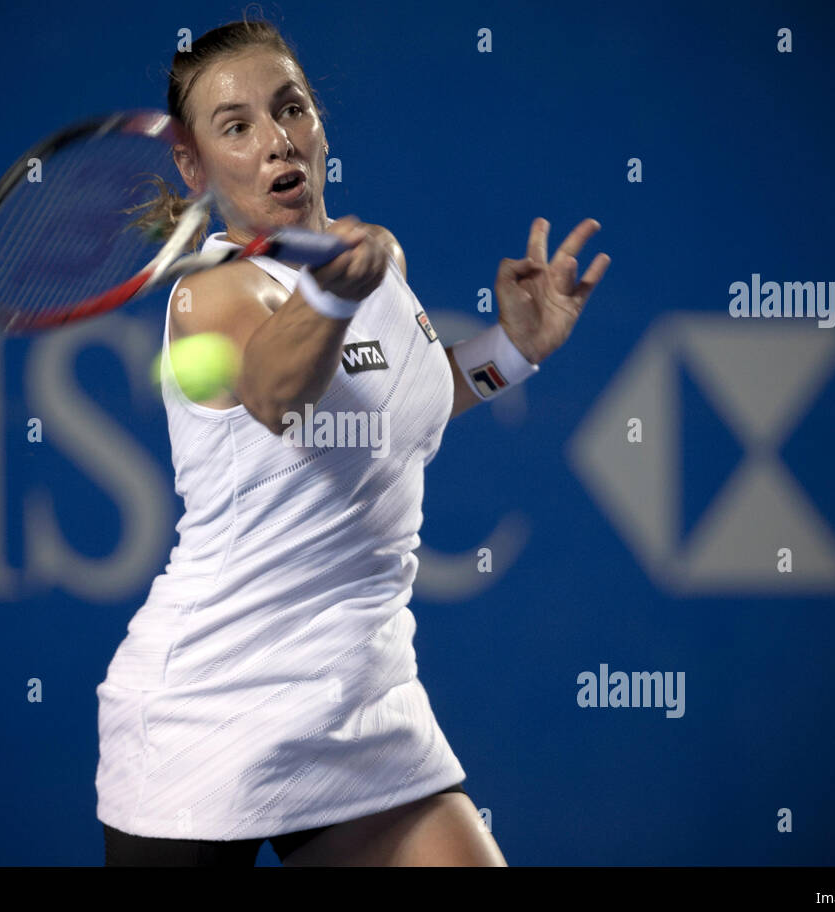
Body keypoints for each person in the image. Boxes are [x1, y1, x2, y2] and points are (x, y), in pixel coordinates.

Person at [96, 16, 609, 867]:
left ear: (319, 123)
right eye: (237, 126)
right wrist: (330, 295)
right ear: (193, 163)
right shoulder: (207, 300)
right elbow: (275, 396)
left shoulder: (378, 262)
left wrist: (510, 352)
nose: (275, 141)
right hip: (204, 709)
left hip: (359, 700)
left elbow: (399, 407)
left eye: (290, 108)